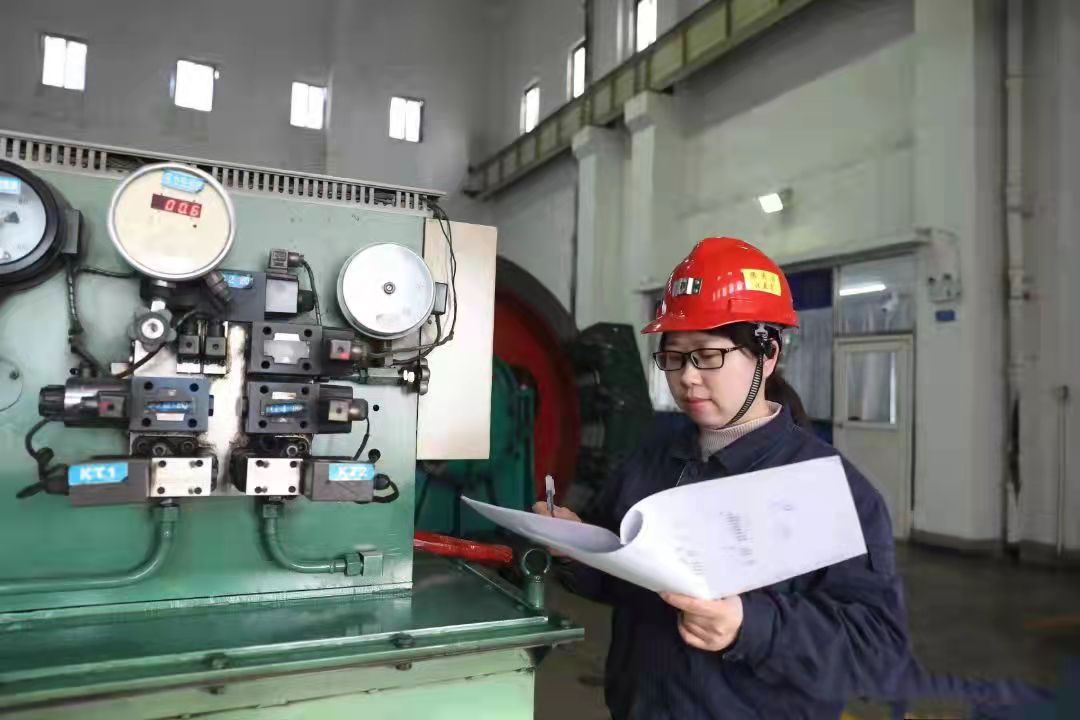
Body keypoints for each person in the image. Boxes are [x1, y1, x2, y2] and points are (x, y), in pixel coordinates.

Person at [534, 237, 911, 719]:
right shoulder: (652, 461)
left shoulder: (829, 492)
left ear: (767, 355)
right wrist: (576, 548)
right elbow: (622, 582)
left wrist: (749, 627)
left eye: (707, 355)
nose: (687, 377)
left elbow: (874, 647)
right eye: (673, 356)